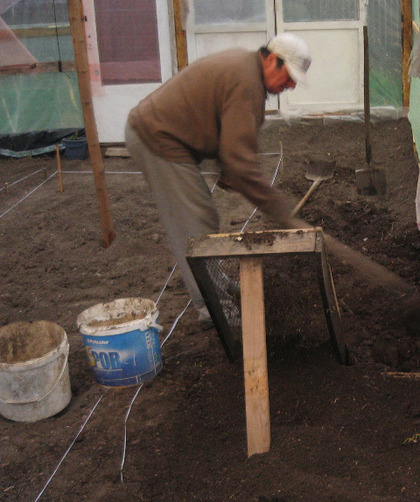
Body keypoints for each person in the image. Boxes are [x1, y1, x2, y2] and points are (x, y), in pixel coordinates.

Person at [125, 33, 312, 326]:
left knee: (203, 216)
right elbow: (243, 163)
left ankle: (216, 283)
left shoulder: (247, 71)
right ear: (272, 60)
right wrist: (279, 209)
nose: (290, 85)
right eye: (288, 77)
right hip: (157, 137)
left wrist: (228, 167)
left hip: (171, 138)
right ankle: (213, 307)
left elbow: (231, 131)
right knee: (194, 222)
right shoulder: (247, 81)